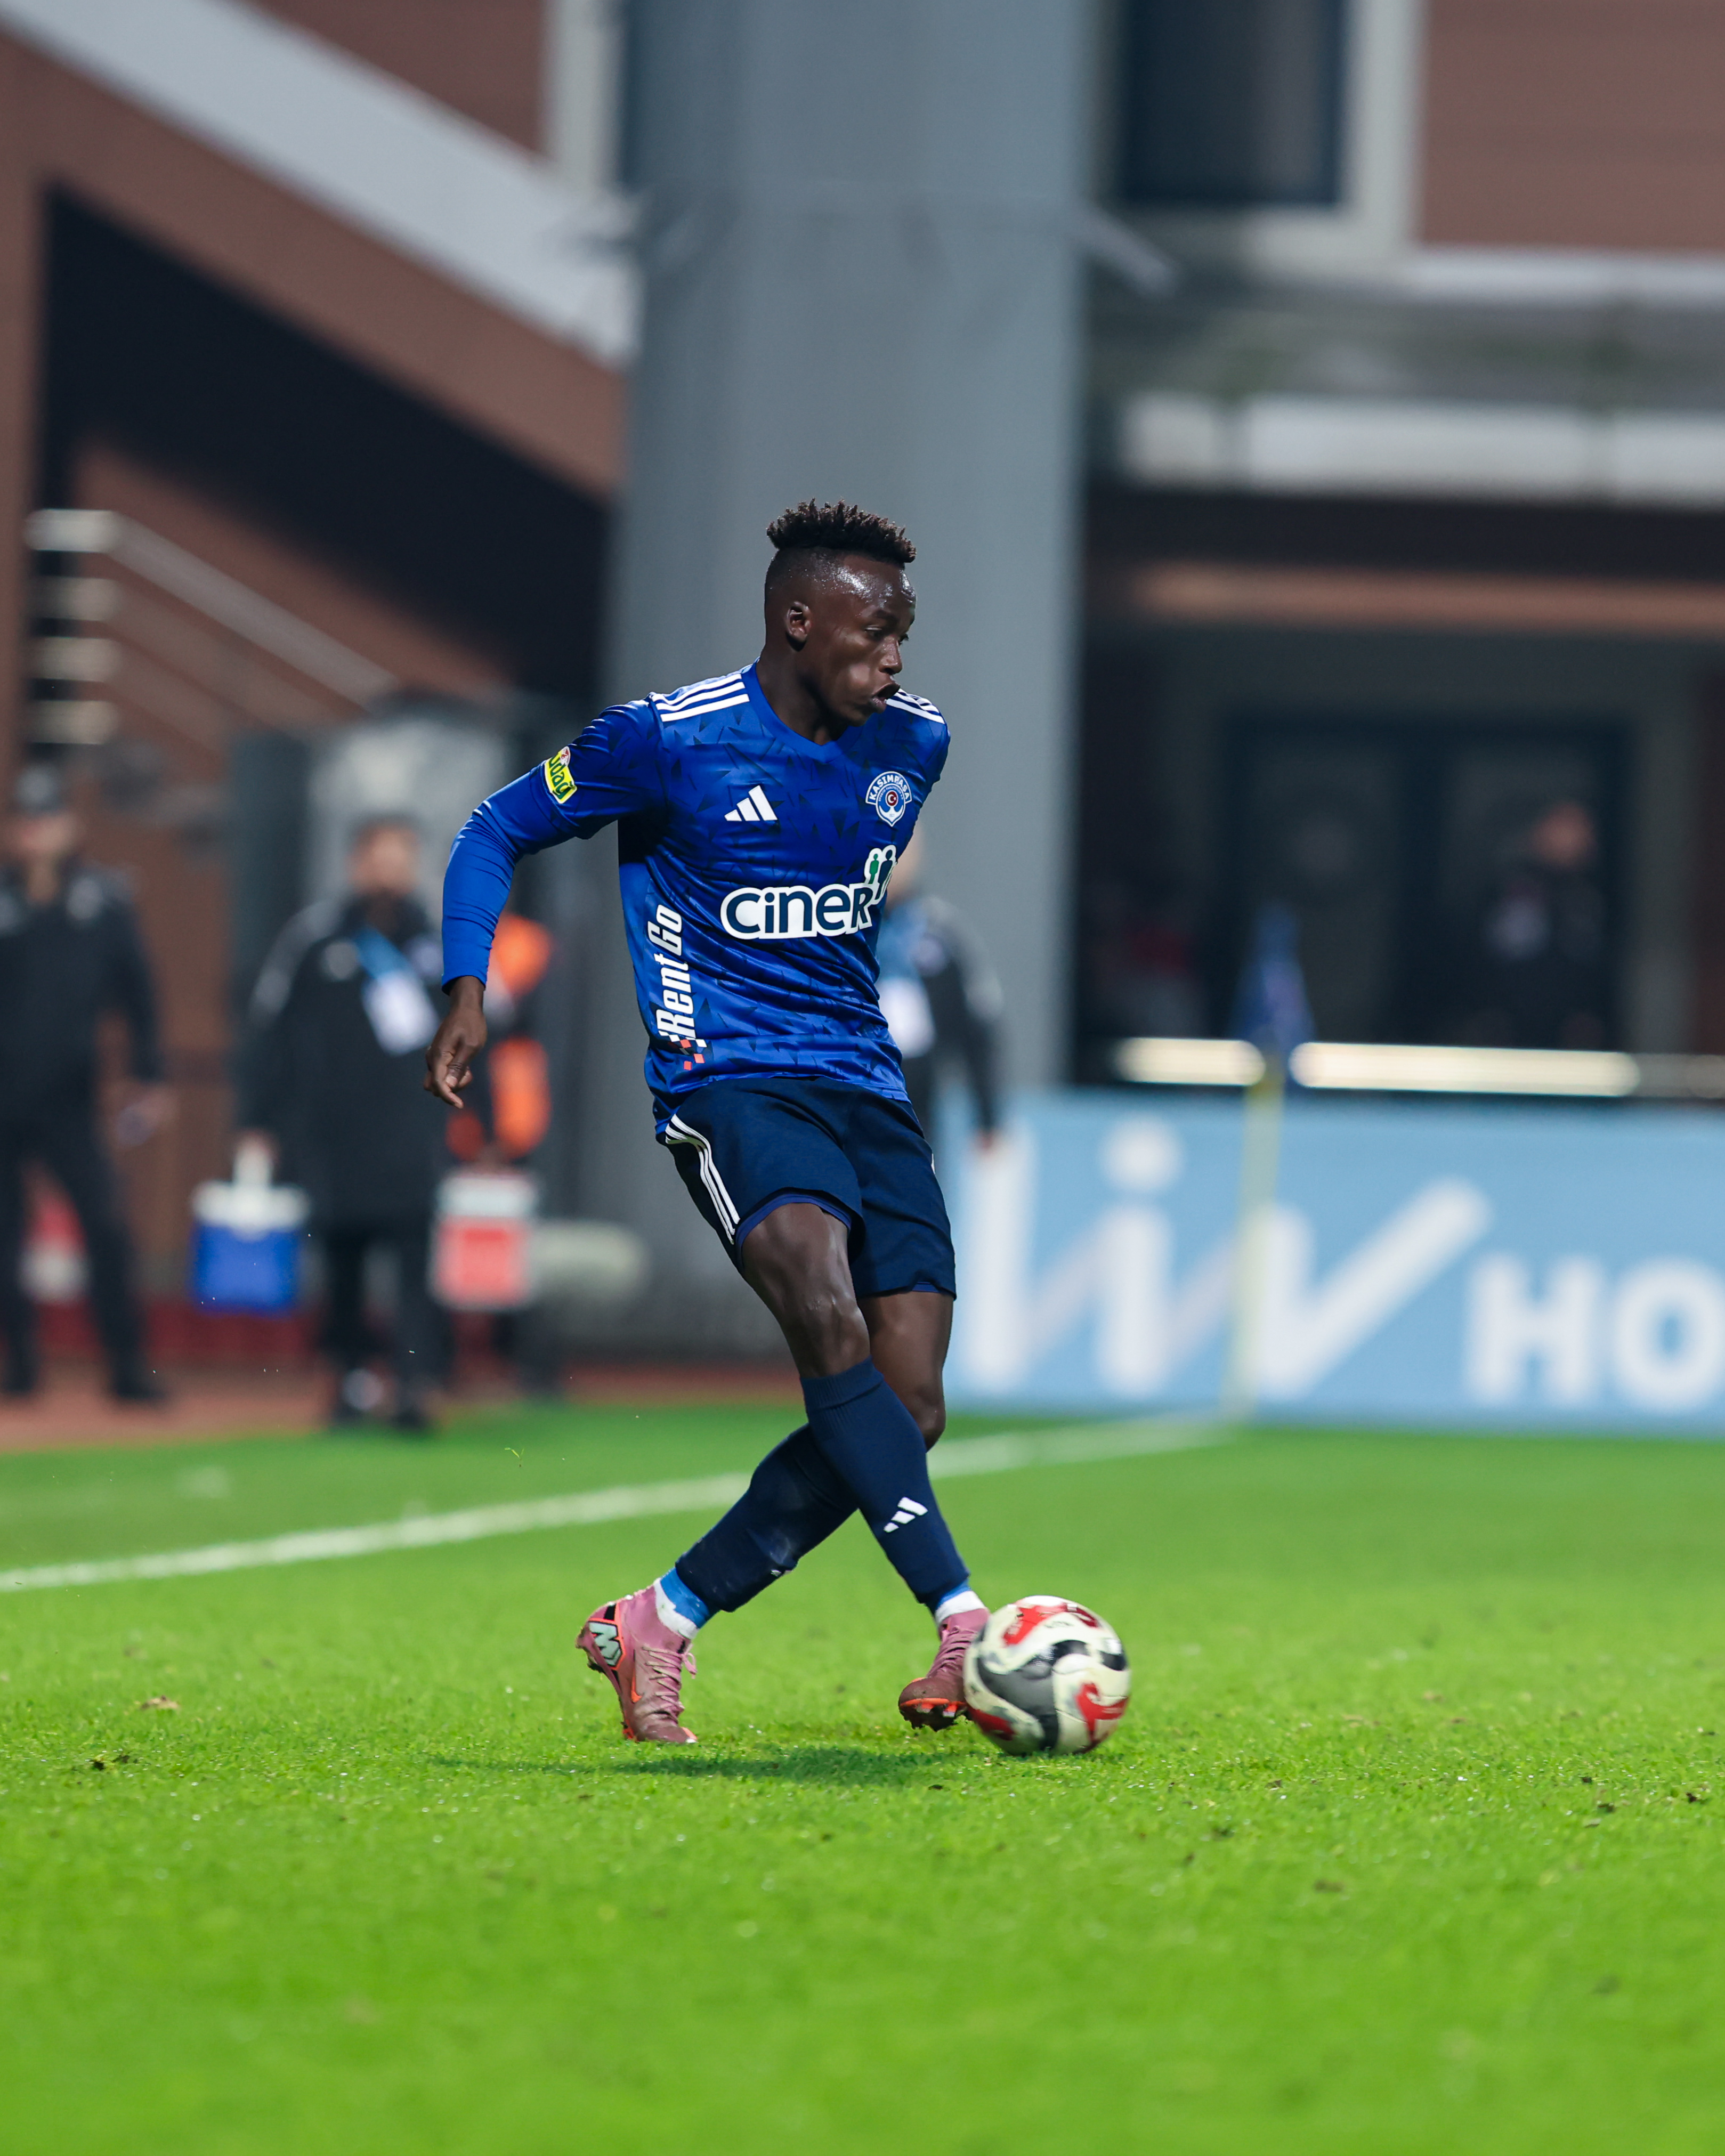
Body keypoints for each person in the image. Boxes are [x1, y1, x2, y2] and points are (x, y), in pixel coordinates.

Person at [429, 500, 988, 1744]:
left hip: (864, 1086)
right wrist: (466, 983)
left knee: (907, 1408)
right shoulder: (666, 742)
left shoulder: (915, 744)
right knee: (823, 1306)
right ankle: (958, 1615)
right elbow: (492, 828)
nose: (894, 656)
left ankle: (661, 1618)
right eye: (872, 631)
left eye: (903, 632)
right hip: (725, 1076)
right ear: (797, 621)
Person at [239, 816, 448, 1432]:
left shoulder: (441, 944)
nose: (389, 873)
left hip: (413, 1131)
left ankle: (412, 1386)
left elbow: (477, 1032)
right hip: (335, 1133)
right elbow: (270, 1031)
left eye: (400, 860)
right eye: (378, 859)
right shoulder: (314, 939)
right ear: (356, 864)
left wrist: (480, 1122)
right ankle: (350, 1380)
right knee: (342, 1261)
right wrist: (258, 1118)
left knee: (415, 1263)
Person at [0, 761, 170, 1401]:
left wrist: (148, 1074)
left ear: (70, 825)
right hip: (3, 1094)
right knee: (3, 1237)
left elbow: (140, 994)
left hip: (70, 1097)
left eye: (47, 817)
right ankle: (20, 1361)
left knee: (105, 1224)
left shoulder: (101, 902)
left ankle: (127, 1364)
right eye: (26, 818)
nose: (36, 830)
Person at [874, 832, 1002, 1153]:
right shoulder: (836, 930)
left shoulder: (939, 930)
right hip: (850, 1090)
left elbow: (975, 1026)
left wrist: (987, 1115)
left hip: (918, 1103)